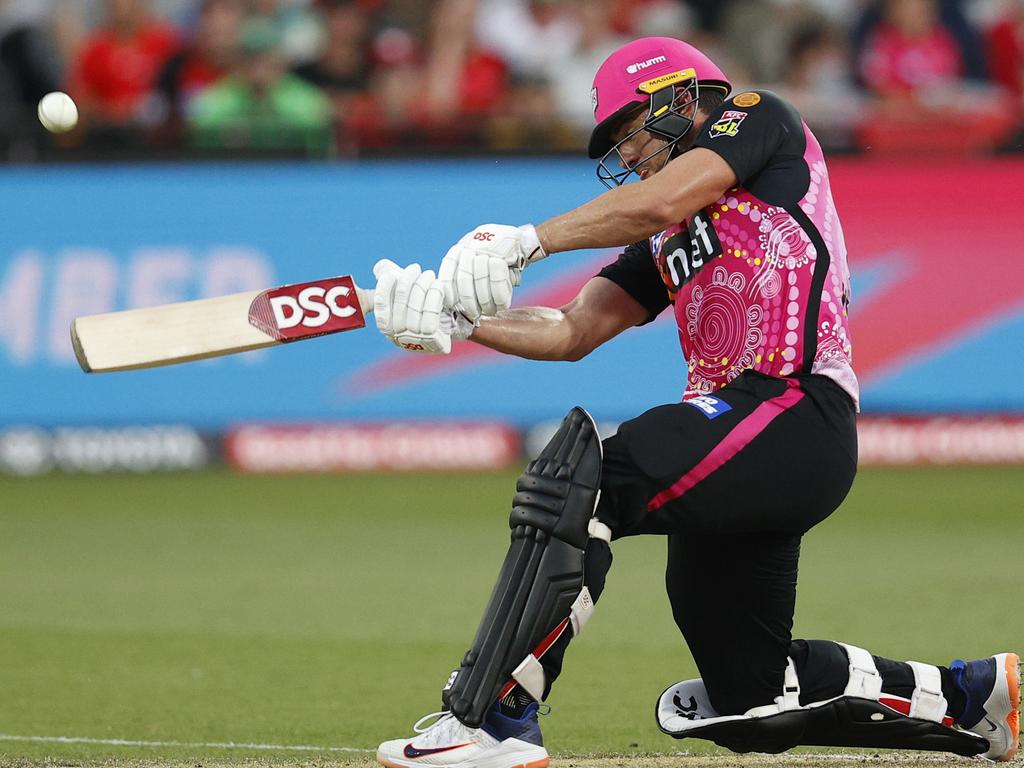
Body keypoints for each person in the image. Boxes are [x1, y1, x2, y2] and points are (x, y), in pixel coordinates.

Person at [370, 36, 1020, 768]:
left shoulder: (756, 116)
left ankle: (491, 719)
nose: (631, 154)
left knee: (585, 481)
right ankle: (974, 696)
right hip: (752, 440)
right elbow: (574, 330)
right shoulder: (669, 230)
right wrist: (459, 324)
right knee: (749, 698)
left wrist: (525, 241)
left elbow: (664, 196)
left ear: (680, 97)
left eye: (631, 132)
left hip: (792, 406)